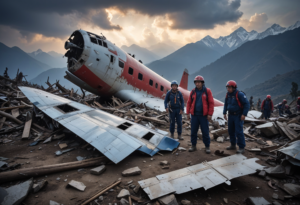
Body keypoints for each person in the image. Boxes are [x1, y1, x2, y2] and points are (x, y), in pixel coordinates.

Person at [186, 75, 214, 154]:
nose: (197, 84)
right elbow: (189, 103)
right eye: (196, 82)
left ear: (202, 83)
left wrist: (210, 114)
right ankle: (193, 146)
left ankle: (207, 146)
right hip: (194, 115)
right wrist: (188, 113)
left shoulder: (207, 91)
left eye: (198, 82)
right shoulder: (193, 91)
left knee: (205, 131)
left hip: (203, 116)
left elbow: (211, 103)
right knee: (193, 131)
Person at [223, 80, 250, 154]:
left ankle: (241, 147)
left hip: (238, 115)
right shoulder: (227, 95)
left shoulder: (240, 94)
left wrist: (244, 114)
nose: (228, 89)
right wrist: (224, 113)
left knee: (238, 131)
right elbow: (225, 104)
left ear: (234, 87)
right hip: (230, 115)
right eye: (227, 87)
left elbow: (246, 104)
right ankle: (233, 145)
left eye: (229, 87)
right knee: (231, 130)